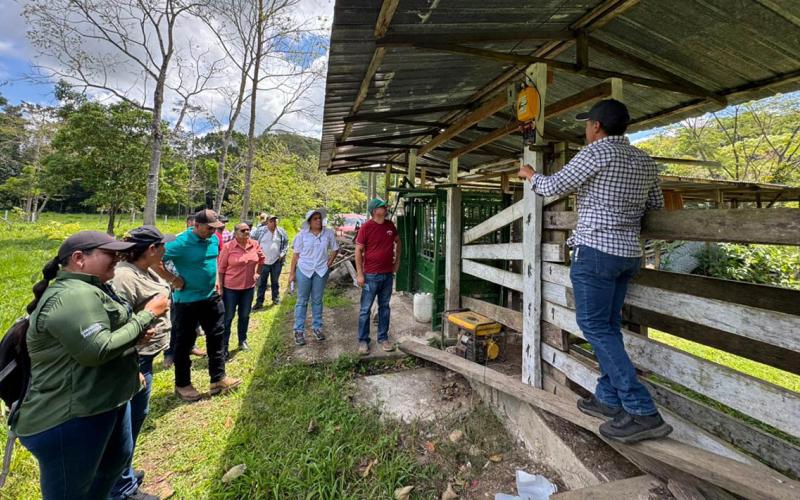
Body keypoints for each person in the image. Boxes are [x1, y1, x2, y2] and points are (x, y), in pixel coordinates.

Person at [518, 98, 671, 444]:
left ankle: (641, 409)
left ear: (596, 126)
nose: (586, 129)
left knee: (594, 326)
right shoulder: (645, 160)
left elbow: (553, 186)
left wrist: (531, 175)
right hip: (629, 254)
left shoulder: (596, 153)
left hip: (596, 254)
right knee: (608, 325)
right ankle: (607, 397)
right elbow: (655, 206)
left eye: (587, 124)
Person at [12, 231, 169, 499]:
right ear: (78, 259)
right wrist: (147, 315)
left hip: (104, 403)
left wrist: (132, 342)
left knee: (109, 471)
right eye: (110, 254)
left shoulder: (94, 287)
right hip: (72, 417)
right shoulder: (72, 296)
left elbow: (105, 339)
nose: (118, 260)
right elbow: (97, 350)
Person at [110, 226, 175, 500]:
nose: (165, 250)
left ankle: (123, 473)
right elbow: (114, 321)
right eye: (162, 246)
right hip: (132, 361)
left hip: (144, 357)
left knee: (136, 418)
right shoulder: (124, 278)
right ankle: (121, 489)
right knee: (125, 426)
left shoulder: (146, 270)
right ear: (151, 249)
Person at [161, 209, 241, 402]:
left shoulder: (214, 239)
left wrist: (215, 280)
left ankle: (218, 378)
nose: (213, 232)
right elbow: (154, 260)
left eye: (216, 228)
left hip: (210, 297)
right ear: (196, 225)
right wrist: (173, 279)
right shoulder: (179, 243)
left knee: (217, 336)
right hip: (187, 301)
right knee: (184, 343)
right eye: (208, 228)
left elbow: (212, 261)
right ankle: (183, 384)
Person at [355, 199, 401, 355]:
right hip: (370, 276)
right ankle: (363, 341)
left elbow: (398, 241)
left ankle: (383, 338)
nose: (385, 208)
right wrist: (360, 274)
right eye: (382, 206)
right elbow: (358, 251)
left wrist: (397, 261)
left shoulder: (390, 226)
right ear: (375, 211)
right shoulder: (366, 227)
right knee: (365, 309)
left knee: (385, 307)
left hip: (387, 275)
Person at [288, 209, 339, 346]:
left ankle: (317, 328)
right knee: (302, 300)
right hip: (304, 270)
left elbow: (335, 249)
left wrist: (329, 263)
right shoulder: (302, 235)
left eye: (319, 218)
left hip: (321, 271)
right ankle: (298, 330)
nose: (318, 221)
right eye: (315, 219)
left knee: (317, 300)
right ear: (309, 222)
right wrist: (292, 274)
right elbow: (295, 255)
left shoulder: (328, 233)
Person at [218, 223, 265, 358]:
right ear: (236, 233)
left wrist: (257, 273)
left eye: (248, 230)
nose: (246, 232)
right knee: (228, 317)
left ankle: (242, 340)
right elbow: (221, 269)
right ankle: (224, 346)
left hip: (248, 288)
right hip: (230, 288)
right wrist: (220, 287)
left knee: (244, 315)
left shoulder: (254, 244)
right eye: (243, 230)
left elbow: (262, 260)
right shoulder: (228, 247)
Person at [252, 213, 289, 308]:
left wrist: (282, 254)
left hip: (277, 261)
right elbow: (253, 242)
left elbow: (285, 244)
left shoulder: (281, 232)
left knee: (275, 282)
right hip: (263, 262)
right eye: (271, 221)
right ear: (267, 222)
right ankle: (259, 302)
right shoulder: (260, 232)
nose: (274, 223)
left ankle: (275, 299)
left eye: (275, 221)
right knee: (261, 283)